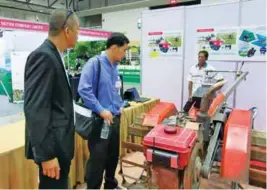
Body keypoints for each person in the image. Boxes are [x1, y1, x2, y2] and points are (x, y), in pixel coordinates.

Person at [24, 9, 79, 189]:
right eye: (77, 30)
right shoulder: (43, 56)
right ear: (67, 30)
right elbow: (35, 109)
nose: (78, 35)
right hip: (52, 149)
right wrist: (46, 155)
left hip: (59, 145)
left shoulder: (55, 55)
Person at [78, 32, 129, 189]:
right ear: (114, 48)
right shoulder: (95, 64)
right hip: (100, 121)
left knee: (112, 156)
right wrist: (101, 110)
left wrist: (121, 105)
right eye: (124, 50)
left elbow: (113, 91)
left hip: (114, 119)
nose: (125, 54)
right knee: (98, 159)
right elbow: (84, 89)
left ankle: (110, 184)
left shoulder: (115, 67)